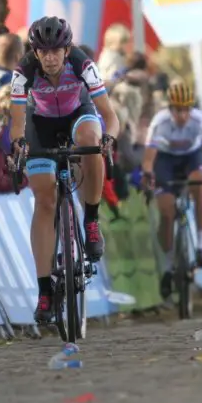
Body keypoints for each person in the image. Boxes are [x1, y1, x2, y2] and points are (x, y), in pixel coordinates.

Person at [8, 16, 119, 323]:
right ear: (35, 52)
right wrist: (18, 144)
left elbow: (110, 116)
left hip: (77, 115)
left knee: (91, 140)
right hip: (39, 124)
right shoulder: (23, 73)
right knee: (44, 200)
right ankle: (44, 292)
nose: (50, 57)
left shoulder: (84, 66)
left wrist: (109, 138)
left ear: (67, 49)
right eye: (43, 51)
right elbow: (17, 122)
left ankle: (92, 220)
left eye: (56, 50)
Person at [141, 81, 202, 301]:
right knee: (166, 212)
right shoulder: (160, 122)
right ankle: (167, 267)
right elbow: (148, 161)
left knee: (199, 184)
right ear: (170, 108)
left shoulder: (200, 120)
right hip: (165, 161)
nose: (182, 115)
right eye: (177, 110)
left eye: (186, 109)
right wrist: (148, 176)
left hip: (192, 158)